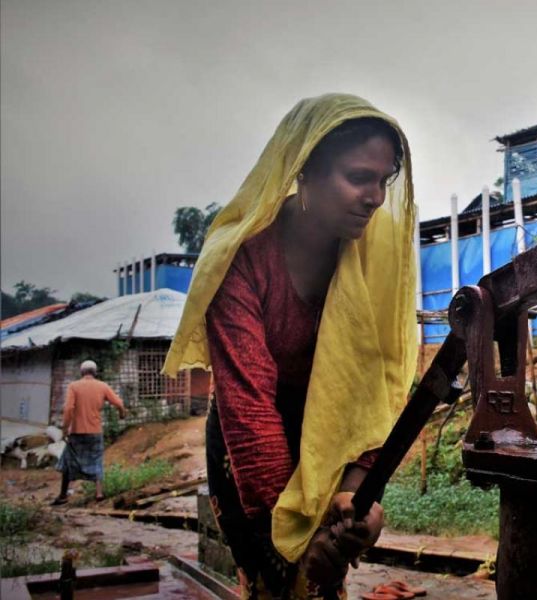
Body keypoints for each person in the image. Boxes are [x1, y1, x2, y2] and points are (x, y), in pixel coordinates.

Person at [162, 95, 418, 599]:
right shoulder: (240, 260)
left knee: (328, 575)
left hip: (330, 434)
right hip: (249, 441)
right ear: (304, 172)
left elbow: (379, 380)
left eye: (384, 181)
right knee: (274, 577)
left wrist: (356, 491)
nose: (375, 197)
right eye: (358, 177)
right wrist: (303, 533)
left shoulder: (375, 254)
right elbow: (251, 405)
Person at [52, 360, 126, 505]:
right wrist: (122, 413)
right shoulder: (102, 386)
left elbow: (68, 409)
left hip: (77, 432)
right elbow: (119, 403)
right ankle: (99, 493)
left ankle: (63, 495)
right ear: (95, 372)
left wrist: (65, 428)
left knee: (68, 461)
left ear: (81, 372)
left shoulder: (74, 386)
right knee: (96, 460)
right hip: (95, 432)